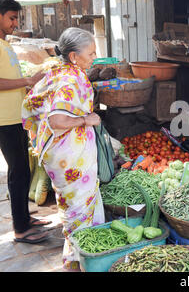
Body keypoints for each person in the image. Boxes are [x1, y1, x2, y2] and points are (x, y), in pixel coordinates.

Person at [22, 27, 105, 270]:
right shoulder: (71, 78)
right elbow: (57, 120)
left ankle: (83, 260)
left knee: (75, 209)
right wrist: (86, 120)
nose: (93, 58)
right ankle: (75, 262)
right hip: (70, 158)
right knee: (79, 215)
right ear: (73, 56)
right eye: (90, 53)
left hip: (62, 156)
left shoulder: (57, 71)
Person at [0, 0, 51, 244]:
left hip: (16, 116)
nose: (15, 23)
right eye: (11, 18)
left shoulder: (5, 44)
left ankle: (25, 218)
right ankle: (20, 229)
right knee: (18, 171)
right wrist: (28, 81)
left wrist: (29, 91)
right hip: (3, 119)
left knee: (23, 169)